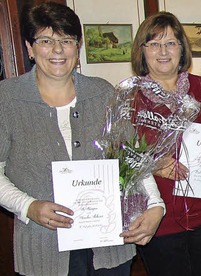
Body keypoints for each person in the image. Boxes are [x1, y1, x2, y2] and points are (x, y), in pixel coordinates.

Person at [0, 3, 164, 275]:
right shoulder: (7, 98)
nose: (57, 50)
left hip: (109, 246)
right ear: (30, 48)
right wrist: (28, 207)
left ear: (78, 47)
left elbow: (134, 158)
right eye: (45, 40)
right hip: (44, 248)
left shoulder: (103, 92)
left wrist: (156, 205)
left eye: (66, 40)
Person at [130, 12, 201, 276]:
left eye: (171, 43)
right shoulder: (130, 98)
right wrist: (151, 165)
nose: (163, 51)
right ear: (142, 51)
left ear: (182, 48)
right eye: (154, 44)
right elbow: (118, 155)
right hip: (158, 217)